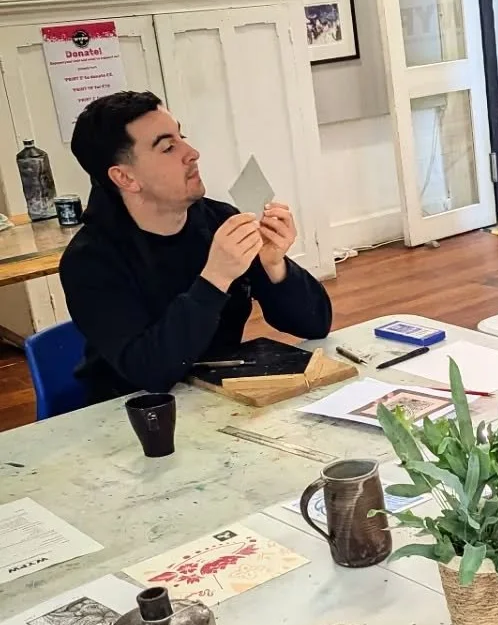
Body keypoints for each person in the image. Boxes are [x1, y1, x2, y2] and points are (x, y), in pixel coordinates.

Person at [59, 90, 332, 401]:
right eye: (168, 147)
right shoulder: (90, 261)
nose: (192, 153)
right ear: (125, 178)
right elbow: (150, 372)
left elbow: (316, 324)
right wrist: (215, 278)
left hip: (218, 396)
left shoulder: (218, 220)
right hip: (132, 413)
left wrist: (275, 266)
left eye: (182, 136)